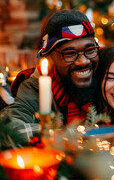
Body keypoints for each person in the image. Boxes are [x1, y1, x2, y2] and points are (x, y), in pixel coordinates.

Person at [1, 10, 99, 138]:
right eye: (69, 53)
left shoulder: (110, 71)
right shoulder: (35, 86)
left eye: (90, 50)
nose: (83, 61)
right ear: (50, 59)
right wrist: (69, 134)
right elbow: (7, 128)